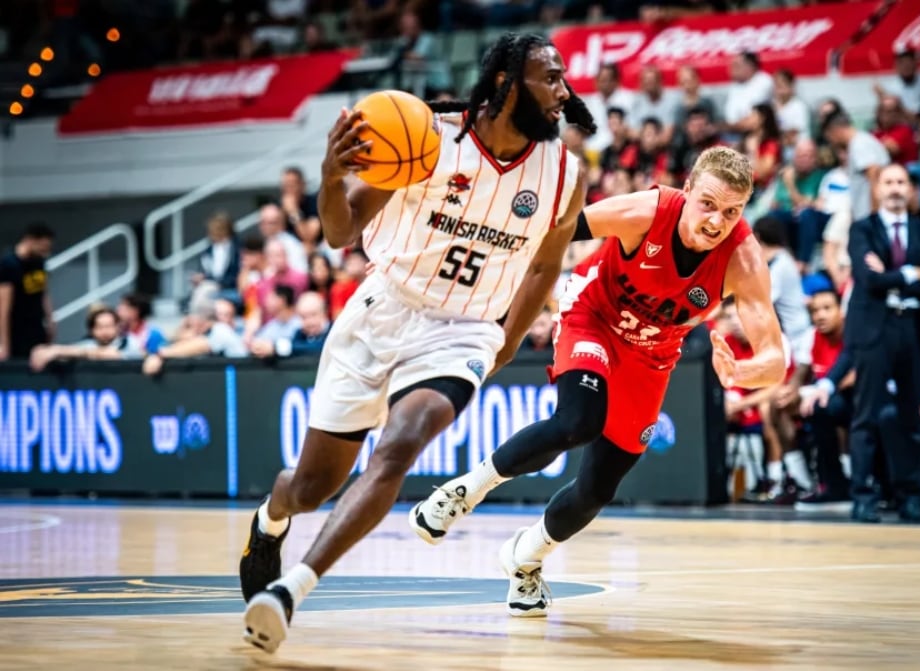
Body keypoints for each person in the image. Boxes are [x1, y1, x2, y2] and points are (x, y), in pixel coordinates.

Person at [239, 32, 595, 653]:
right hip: (382, 310)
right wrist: (330, 176)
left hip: (463, 333)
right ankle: (274, 512)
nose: (565, 92)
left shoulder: (566, 173)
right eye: (551, 78)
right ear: (507, 83)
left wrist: (503, 344)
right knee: (311, 488)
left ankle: (291, 589)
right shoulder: (425, 137)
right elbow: (340, 231)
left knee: (401, 445)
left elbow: (543, 267)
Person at [409, 146, 786, 617]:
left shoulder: (743, 259)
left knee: (598, 488)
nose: (716, 221)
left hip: (653, 354)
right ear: (686, 190)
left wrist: (744, 372)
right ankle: (463, 491)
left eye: (732, 211)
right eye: (708, 204)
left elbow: (775, 357)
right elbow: (554, 230)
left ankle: (525, 558)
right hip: (594, 317)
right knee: (578, 421)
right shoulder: (646, 212)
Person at [845, 163, 920, 523]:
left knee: (910, 419)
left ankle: (910, 497)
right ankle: (863, 497)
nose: (896, 188)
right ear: (878, 190)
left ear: (910, 189)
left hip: (912, 328)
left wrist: (889, 276)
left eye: (902, 182)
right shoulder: (862, 229)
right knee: (866, 416)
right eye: (889, 182)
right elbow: (867, 280)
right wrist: (905, 273)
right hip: (875, 329)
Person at [0, 223, 55, 361]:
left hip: (36, 327)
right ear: (30, 240)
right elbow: (3, 307)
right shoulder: (9, 265)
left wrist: (50, 320)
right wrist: (4, 344)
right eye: (42, 248)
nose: (45, 252)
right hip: (17, 330)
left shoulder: (39, 262)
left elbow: (44, 293)